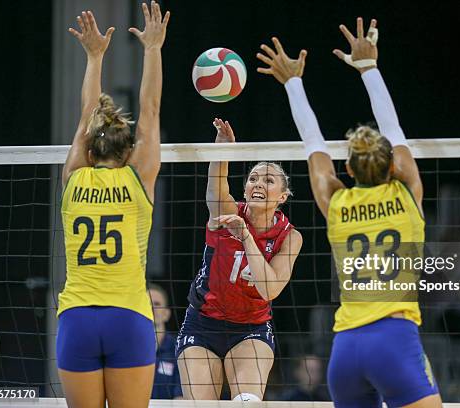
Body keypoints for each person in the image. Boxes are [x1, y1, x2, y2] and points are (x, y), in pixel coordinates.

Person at [257, 17, 442, 408]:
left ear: (347, 171)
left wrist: (293, 82)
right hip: (394, 339)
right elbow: (394, 130)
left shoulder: (336, 202)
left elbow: (313, 142)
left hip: (345, 349)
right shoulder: (408, 192)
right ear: (393, 166)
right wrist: (369, 68)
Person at [56, 3, 169, 407]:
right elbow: (150, 111)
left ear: (89, 145)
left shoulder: (73, 179)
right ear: (127, 150)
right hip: (129, 317)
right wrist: (152, 49)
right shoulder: (138, 178)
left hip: (77, 319)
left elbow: (87, 114)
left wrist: (94, 57)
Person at [176, 119, 303, 401]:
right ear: (245, 189)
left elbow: (270, 290)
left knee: (247, 403)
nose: (258, 183)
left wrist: (245, 235)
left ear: (282, 196)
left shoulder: (289, 236)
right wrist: (224, 150)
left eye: (268, 180)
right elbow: (216, 184)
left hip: (251, 328)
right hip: (202, 323)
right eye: (253, 179)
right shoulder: (226, 212)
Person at [148, 283, 183, 400]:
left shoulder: (178, 349)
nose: (151, 308)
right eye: (146, 304)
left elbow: (181, 397)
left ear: (167, 314)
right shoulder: (126, 348)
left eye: (156, 304)